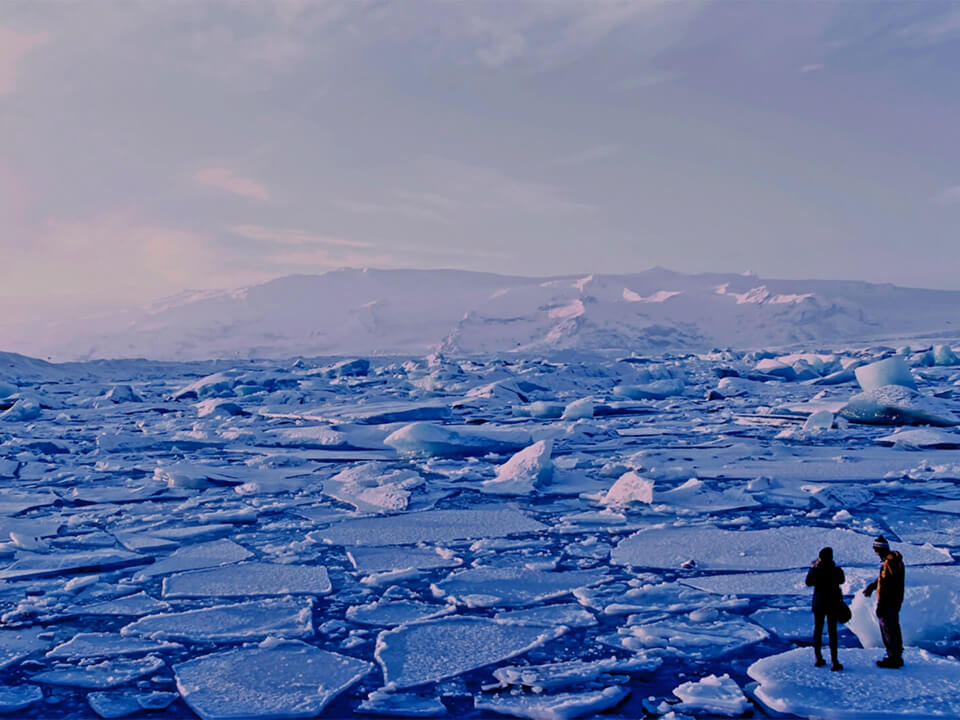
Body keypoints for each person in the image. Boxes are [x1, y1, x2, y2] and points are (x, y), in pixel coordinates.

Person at [864, 535, 905, 668]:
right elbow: (884, 579)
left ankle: (893, 658)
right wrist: (873, 586)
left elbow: (889, 583)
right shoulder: (891, 561)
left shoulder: (890, 562)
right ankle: (895, 655)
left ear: (878, 550)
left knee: (888, 628)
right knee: (892, 627)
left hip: (889, 602)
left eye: (875, 549)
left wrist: (882, 603)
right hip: (893, 601)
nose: (874, 552)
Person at [805, 546, 844, 671]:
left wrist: (812, 568)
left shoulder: (816, 571)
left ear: (820, 558)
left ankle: (818, 658)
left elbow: (808, 582)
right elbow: (842, 580)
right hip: (832, 603)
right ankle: (834, 660)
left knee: (818, 631)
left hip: (819, 604)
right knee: (832, 632)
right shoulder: (836, 570)